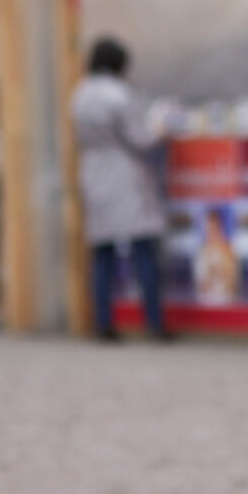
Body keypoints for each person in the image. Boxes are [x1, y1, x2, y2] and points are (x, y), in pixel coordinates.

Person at [71, 37, 170, 342]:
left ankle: (104, 321)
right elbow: (139, 138)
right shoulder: (120, 95)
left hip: (92, 171)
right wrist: (160, 128)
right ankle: (153, 323)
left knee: (102, 252)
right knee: (143, 249)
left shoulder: (79, 94)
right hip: (124, 172)